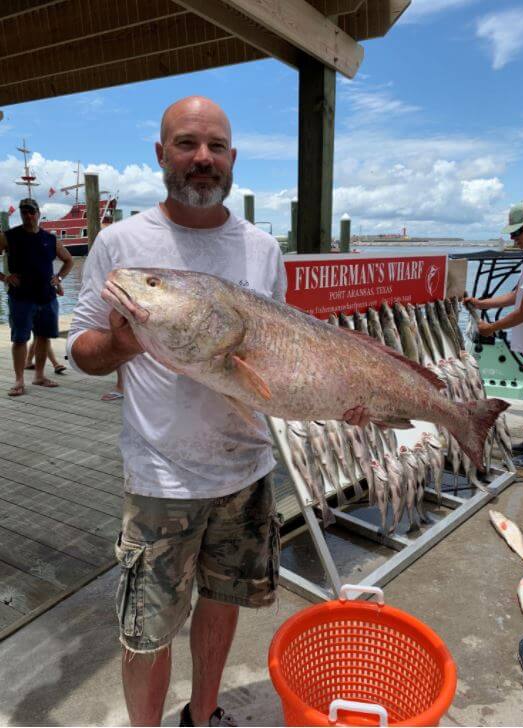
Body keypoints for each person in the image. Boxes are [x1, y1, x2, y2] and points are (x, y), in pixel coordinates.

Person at [67, 96, 367, 727]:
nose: (202, 158)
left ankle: (203, 717)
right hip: (159, 480)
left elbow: (281, 358)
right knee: (147, 631)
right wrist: (121, 343)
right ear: (160, 153)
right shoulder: (121, 245)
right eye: (186, 144)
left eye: (215, 147)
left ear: (232, 158)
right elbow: (83, 350)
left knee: (222, 602)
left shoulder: (261, 247)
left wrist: (339, 399)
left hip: (246, 470)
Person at [465, 201, 523, 470]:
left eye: (517, 232)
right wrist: (484, 304)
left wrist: (491, 327)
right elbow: (516, 294)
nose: (513, 238)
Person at [0, 197, 73, 396]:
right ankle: (18, 380)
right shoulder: (9, 236)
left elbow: (68, 260)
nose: (28, 215)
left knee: (43, 337)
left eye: (31, 212)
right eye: (24, 212)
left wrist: (58, 278)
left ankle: (39, 376)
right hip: (21, 298)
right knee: (20, 339)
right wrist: (5, 277)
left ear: (38, 214)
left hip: (47, 298)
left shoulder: (50, 239)